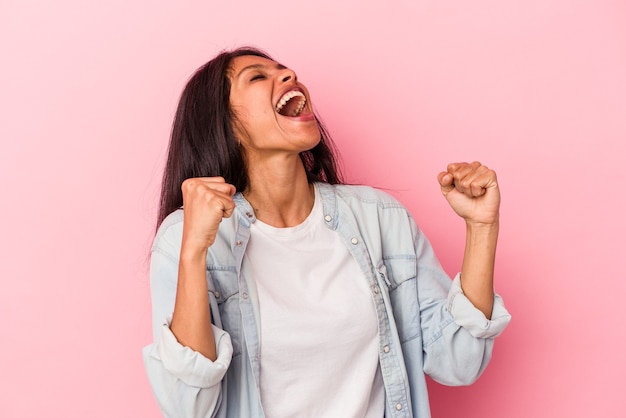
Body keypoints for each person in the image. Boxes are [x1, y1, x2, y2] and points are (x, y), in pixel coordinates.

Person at [142, 46, 511, 418]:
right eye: (257, 76)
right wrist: (194, 251)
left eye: (284, 70)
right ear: (226, 126)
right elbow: (189, 406)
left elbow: (457, 362)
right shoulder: (185, 237)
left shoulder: (379, 219)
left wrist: (481, 228)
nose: (288, 76)